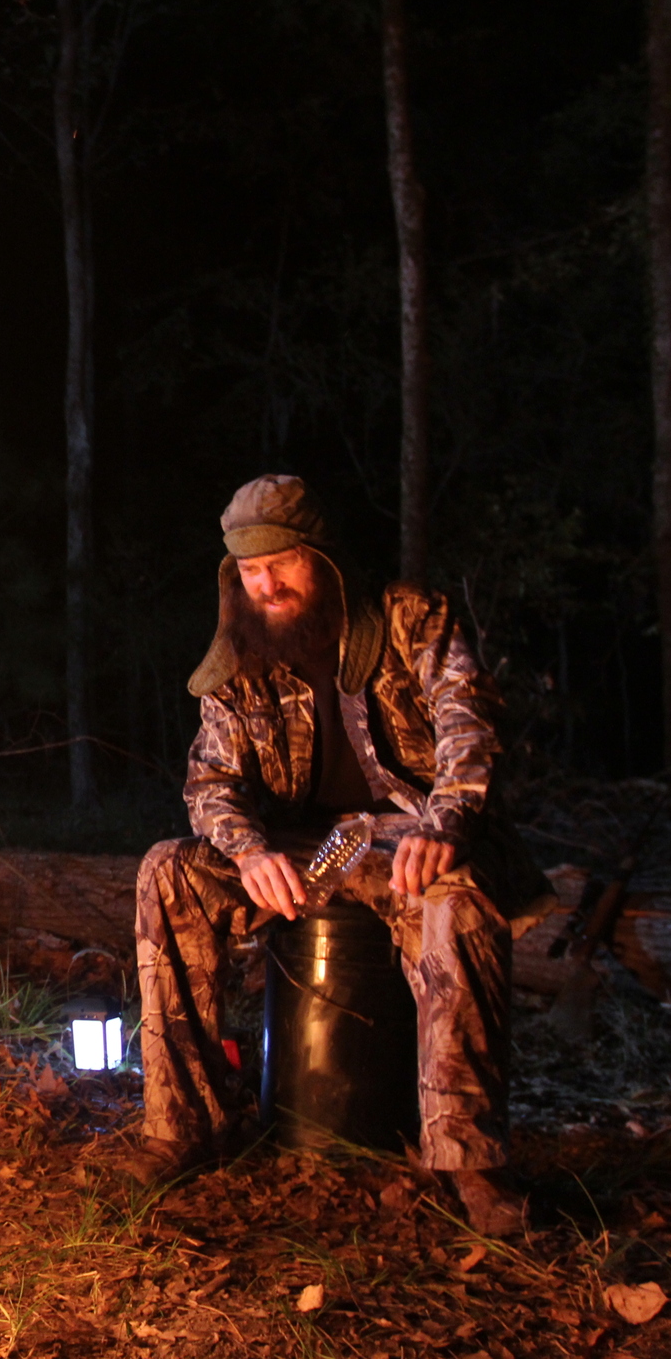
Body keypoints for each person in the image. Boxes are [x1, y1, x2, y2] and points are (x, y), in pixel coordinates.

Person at [131, 475, 544, 1236]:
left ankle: (468, 1158)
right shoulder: (238, 656)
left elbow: (468, 726)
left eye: (281, 562)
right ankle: (185, 1124)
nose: (266, 583)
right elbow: (210, 782)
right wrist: (249, 850)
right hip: (299, 849)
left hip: (409, 841)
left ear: (323, 558)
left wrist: (445, 822)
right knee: (168, 868)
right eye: (249, 570)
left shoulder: (410, 618)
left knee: (457, 897)